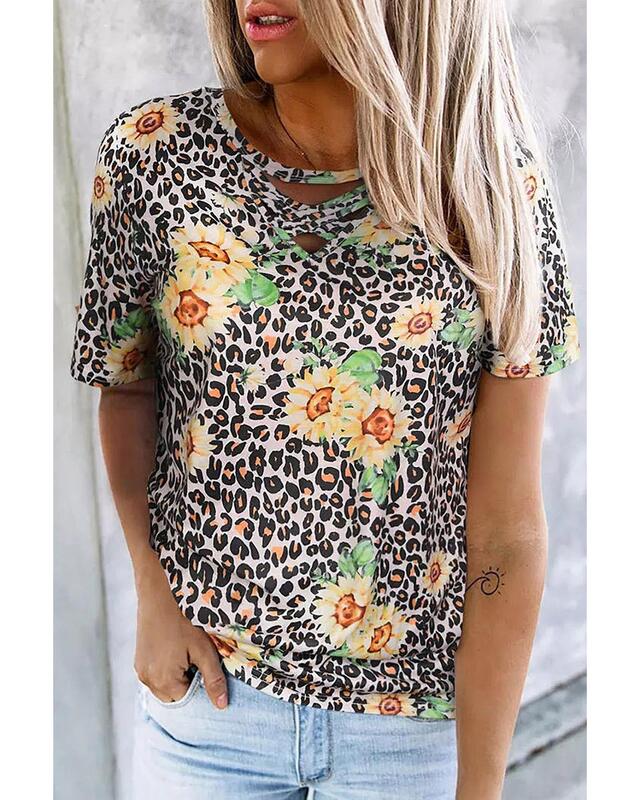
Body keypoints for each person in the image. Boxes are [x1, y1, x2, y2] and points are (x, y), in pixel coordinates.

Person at [69, 1, 580, 798]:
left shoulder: (492, 193)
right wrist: (152, 592)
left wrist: (479, 787)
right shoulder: (155, 156)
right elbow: (127, 387)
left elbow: (508, 533)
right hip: (210, 708)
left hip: (409, 734)